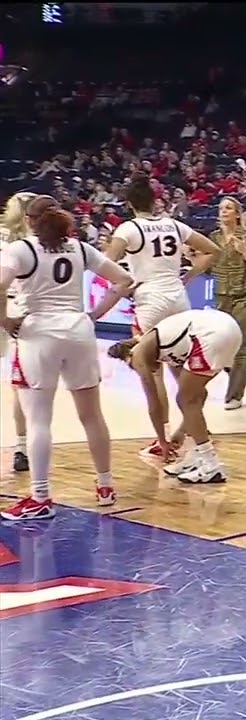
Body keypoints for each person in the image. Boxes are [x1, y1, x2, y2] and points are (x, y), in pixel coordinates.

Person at [0, 197, 134, 520]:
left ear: (30, 220)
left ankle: (41, 496)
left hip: (38, 333)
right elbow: (124, 281)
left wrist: (5, 321)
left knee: (39, 420)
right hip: (78, 330)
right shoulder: (80, 249)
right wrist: (95, 314)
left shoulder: (21, 250)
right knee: (92, 415)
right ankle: (105, 485)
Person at [105, 174, 221, 459]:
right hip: (178, 300)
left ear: (129, 203)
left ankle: (163, 441)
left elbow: (106, 262)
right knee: (185, 374)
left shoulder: (129, 228)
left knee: (152, 377)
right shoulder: (174, 224)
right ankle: (184, 431)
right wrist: (189, 275)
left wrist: (126, 283)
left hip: (150, 301)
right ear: (154, 200)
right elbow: (213, 250)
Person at [105, 308, 244, 484]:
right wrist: (179, 433)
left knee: (185, 398)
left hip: (212, 333)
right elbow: (200, 394)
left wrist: (162, 441)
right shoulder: (168, 346)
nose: (138, 369)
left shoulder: (139, 353)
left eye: (132, 367)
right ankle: (198, 453)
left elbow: (154, 404)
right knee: (190, 396)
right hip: (229, 329)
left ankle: (211, 464)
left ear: (129, 355)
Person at [208, 197, 246, 410]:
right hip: (221, 296)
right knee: (219, 345)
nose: (224, 211)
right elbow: (207, 267)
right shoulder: (213, 238)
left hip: (243, 295)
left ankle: (234, 394)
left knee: (241, 346)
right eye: (221, 208)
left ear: (238, 214)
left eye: (229, 208)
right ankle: (239, 376)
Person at [1, 192, 34, 474]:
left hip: (12, 312)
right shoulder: (46, 242)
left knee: (20, 387)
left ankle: (24, 447)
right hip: (21, 314)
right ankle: (23, 447)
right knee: (21, 388)